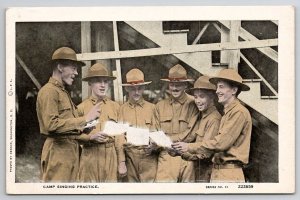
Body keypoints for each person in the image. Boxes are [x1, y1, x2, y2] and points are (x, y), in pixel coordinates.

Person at [175, 69, 252, 183]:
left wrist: (188, 147)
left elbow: (220, 143)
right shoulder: (228, 112)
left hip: (228, 174)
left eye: (221, 87)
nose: (217, 91)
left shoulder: (239, 112)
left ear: (234, 90)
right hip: (220, 172)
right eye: (217, 87)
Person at [36, 47, 100, 182]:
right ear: (60, 67)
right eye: (73, 68)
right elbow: (51, 125)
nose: (76, 73)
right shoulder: (49, 91)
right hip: (58, 154)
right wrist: (85, 118)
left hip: (69, 153)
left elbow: (67, 129)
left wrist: (87, 131)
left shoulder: (63, 92)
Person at [77, 63, 127, 182]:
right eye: (98, 81)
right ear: (90, 83)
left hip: (110, 156)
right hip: (90, 155)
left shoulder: (115, 107)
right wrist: (90, 137)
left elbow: (120, 137)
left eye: (105, 81)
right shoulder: (81, 108)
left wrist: (121, 162)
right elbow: (74, 135)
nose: (103, 85)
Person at [172, 75, 221, 182]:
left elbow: (206, 153)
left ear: (212, 97)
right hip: (197, 171)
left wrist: (183, 151)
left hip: (206, 174)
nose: (198, 101)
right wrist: (175, 149)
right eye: (195, 97)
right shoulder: (202, 116)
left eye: (202, 96)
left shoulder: (214, 119)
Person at [155, 64, 199, 183]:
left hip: (187, 157)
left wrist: (166, 140)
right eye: (172, 84)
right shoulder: (160, 106)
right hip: (166, 157)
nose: (174, 88)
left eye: (178, 85)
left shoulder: (194, 104)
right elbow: (155, 133)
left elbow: (192, 133)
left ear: (185, 85)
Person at [118, 68, 160, 182]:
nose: (136, 92)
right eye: (132, 89)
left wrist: (154, 145)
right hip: (130, 158)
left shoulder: (152, 108)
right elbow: (119, 137)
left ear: (144, 88)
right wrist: (121, 162)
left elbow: (156, 132)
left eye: (139, 88)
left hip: (149, 158)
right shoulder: (121, 110)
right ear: (127, 88)